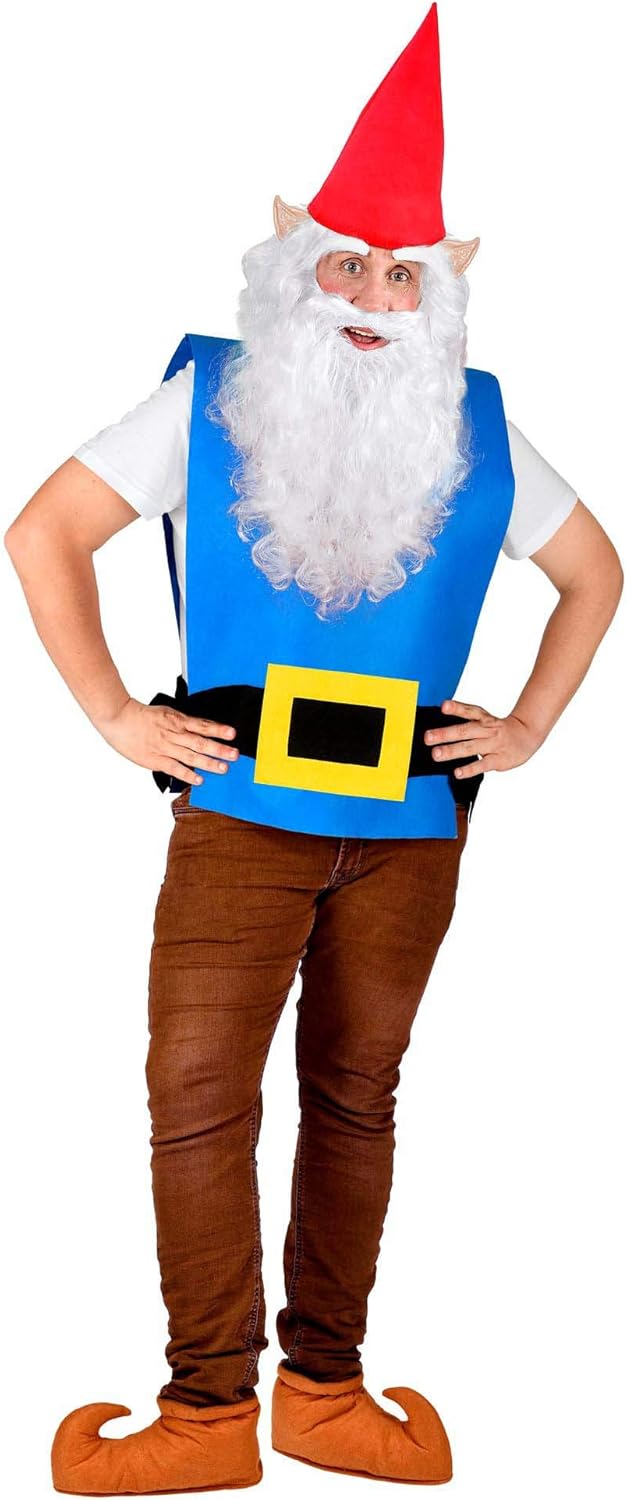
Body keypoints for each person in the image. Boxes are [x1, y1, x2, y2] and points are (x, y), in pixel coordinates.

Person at [4, 4, 622, 1493]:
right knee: (197, 1091)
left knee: (357, 1094)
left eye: (403, 275)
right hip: (237, 806)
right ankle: (208, 1412)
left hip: (414, 825)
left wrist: (530, 724)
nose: (373, 295)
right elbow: (45, 533)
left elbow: (595, 573)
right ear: (294, 266)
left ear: (440, 297)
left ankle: (324, 1392)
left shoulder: (478, 428)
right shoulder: (205, 402)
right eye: (347, 264)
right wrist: (114, 714)